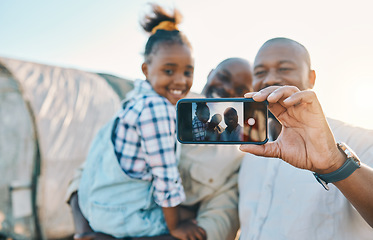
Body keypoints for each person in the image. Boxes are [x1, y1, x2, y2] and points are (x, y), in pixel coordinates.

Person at [67, 57, 253, 240]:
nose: (227, 89)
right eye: (224, 77)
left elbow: (215, 227)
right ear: (211, 74)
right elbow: (86, 172)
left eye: (240, 90)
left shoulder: (235, 157)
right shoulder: (156, 106)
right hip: (100, 220)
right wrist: (83, 232)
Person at [76, 5, 206, 240]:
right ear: (147, 70)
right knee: (197, 218)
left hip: (96, 204)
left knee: (187, 210)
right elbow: (166, 177)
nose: (180, 80)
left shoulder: (136, 98)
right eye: (169, 71)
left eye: (188, 72)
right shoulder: (157, 109)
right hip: (121, 216)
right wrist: (176, 227)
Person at [238, 37, 373, 240]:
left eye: (284, 69)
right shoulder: (249, 152)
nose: (269, 79)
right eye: (259, 72)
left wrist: (336, 164)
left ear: (311, 78)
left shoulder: (360, 139)